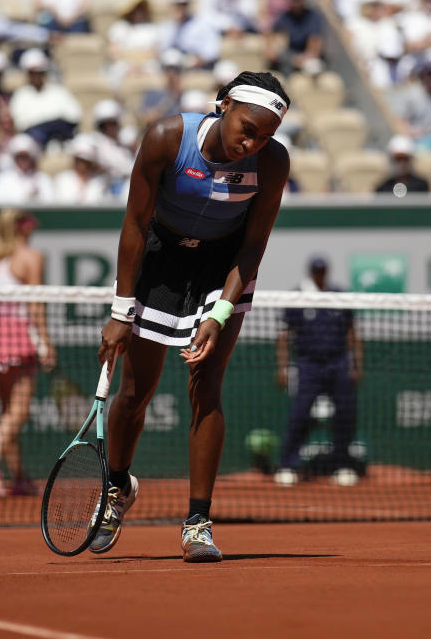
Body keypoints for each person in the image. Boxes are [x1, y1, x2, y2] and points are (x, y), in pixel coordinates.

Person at [95, 71, 291, 562]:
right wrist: (121, 309)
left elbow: (254, 246)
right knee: (136, 393)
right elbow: (135, 224)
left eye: (265, 135)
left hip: (222, 268)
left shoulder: (272, 162)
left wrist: (221, 312)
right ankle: (118, 488)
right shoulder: (167, 137)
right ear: (223, 105)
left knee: (206, 384)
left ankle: (198, 523)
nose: (253, 142)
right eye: (248, 127)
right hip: (160, 260)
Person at [0, 208, 56, 497]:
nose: (34, 226)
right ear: (22, 227)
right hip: (16, 335)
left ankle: (18, 476)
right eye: (30, 221)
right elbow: (35, 304)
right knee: (18, 411)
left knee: (8, 411)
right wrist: (45, 342)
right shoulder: (32, 257)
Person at [273, 256, 364, 487]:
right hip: (308, 364)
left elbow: (352, 332)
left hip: (338, 362)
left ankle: (342, 464)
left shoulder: (338, 296)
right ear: (310, 272)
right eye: (316, 271)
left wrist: (356, 363)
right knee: (301, 413)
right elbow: (284, 336)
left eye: (322, 270)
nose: (319, 274)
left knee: (345, 413)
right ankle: (287, 465)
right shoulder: (298, 296)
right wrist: (283, 367)